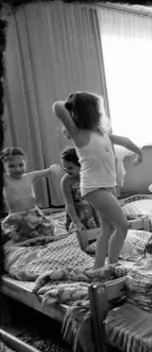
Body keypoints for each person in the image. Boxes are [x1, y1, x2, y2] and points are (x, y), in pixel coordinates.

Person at [53, 92, 143, 269]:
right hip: (94, 188)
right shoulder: (79, 135)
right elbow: (58, 106)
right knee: (123, 226)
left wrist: (139, 152)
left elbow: (125, 141)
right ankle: (113, 265)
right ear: (89, 112)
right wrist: (74, 103)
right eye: (97, 109)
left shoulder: (101, 133)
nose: (100, 113)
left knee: (107, 229)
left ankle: (98, 266)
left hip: (106, 186)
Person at [1, 147, 63, 243]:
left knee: (47, 230)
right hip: (16, 218)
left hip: (34, 214)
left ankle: (37, 235)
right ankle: (27, 237)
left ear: (25, 162)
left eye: (21, 165)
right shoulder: (5, 179)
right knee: (15, 235)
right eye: (11, 166)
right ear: (4, 166)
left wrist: (53, 168)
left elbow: (47, 171)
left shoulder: (29, 176)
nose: (17, 169)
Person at [60, 147, 100, 232]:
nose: (66, 170)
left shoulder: (90, 175)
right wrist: (76, 222)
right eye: (64, 167)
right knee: (85, 212)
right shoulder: (66, 181)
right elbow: (69, 204)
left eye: (70, 168)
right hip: (78, 210)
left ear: (81, 166)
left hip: (93, 204)